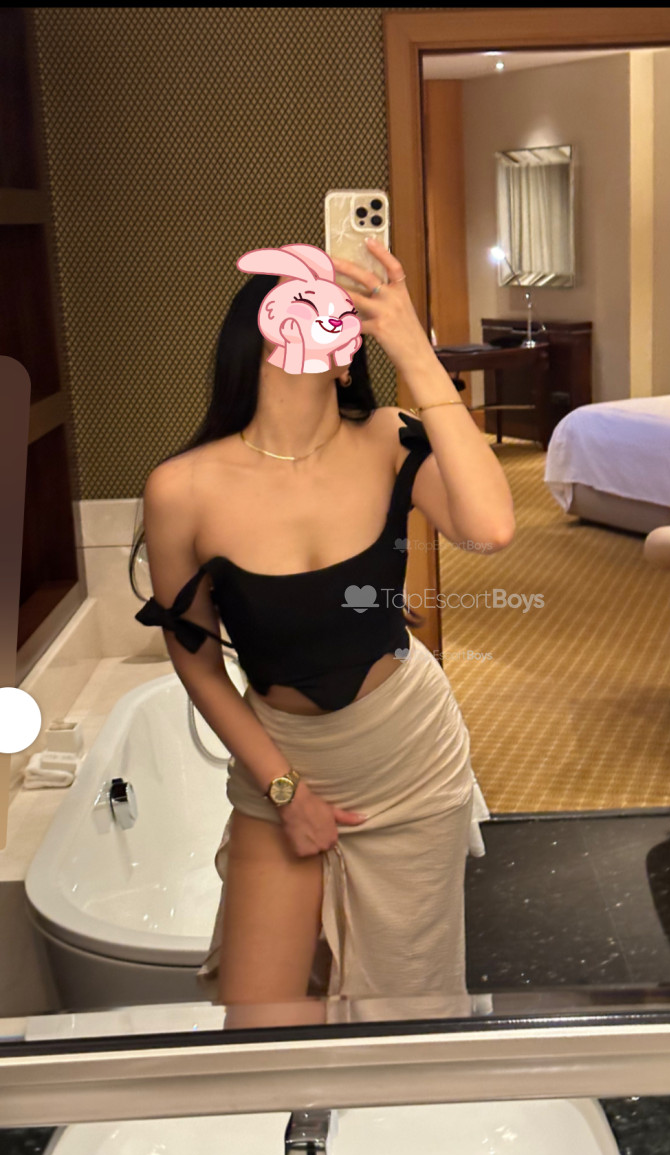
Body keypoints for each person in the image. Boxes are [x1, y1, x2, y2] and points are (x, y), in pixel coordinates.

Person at [131, 239, 515, 1006]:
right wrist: (285, 790)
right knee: (260, 1025)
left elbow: (489, 529)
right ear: (252, 345)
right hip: (283, 761)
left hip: (408, 756)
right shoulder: (182, 489)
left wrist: (412, 348)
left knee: (399, 1012)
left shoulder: (388, 439)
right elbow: (196, 661)